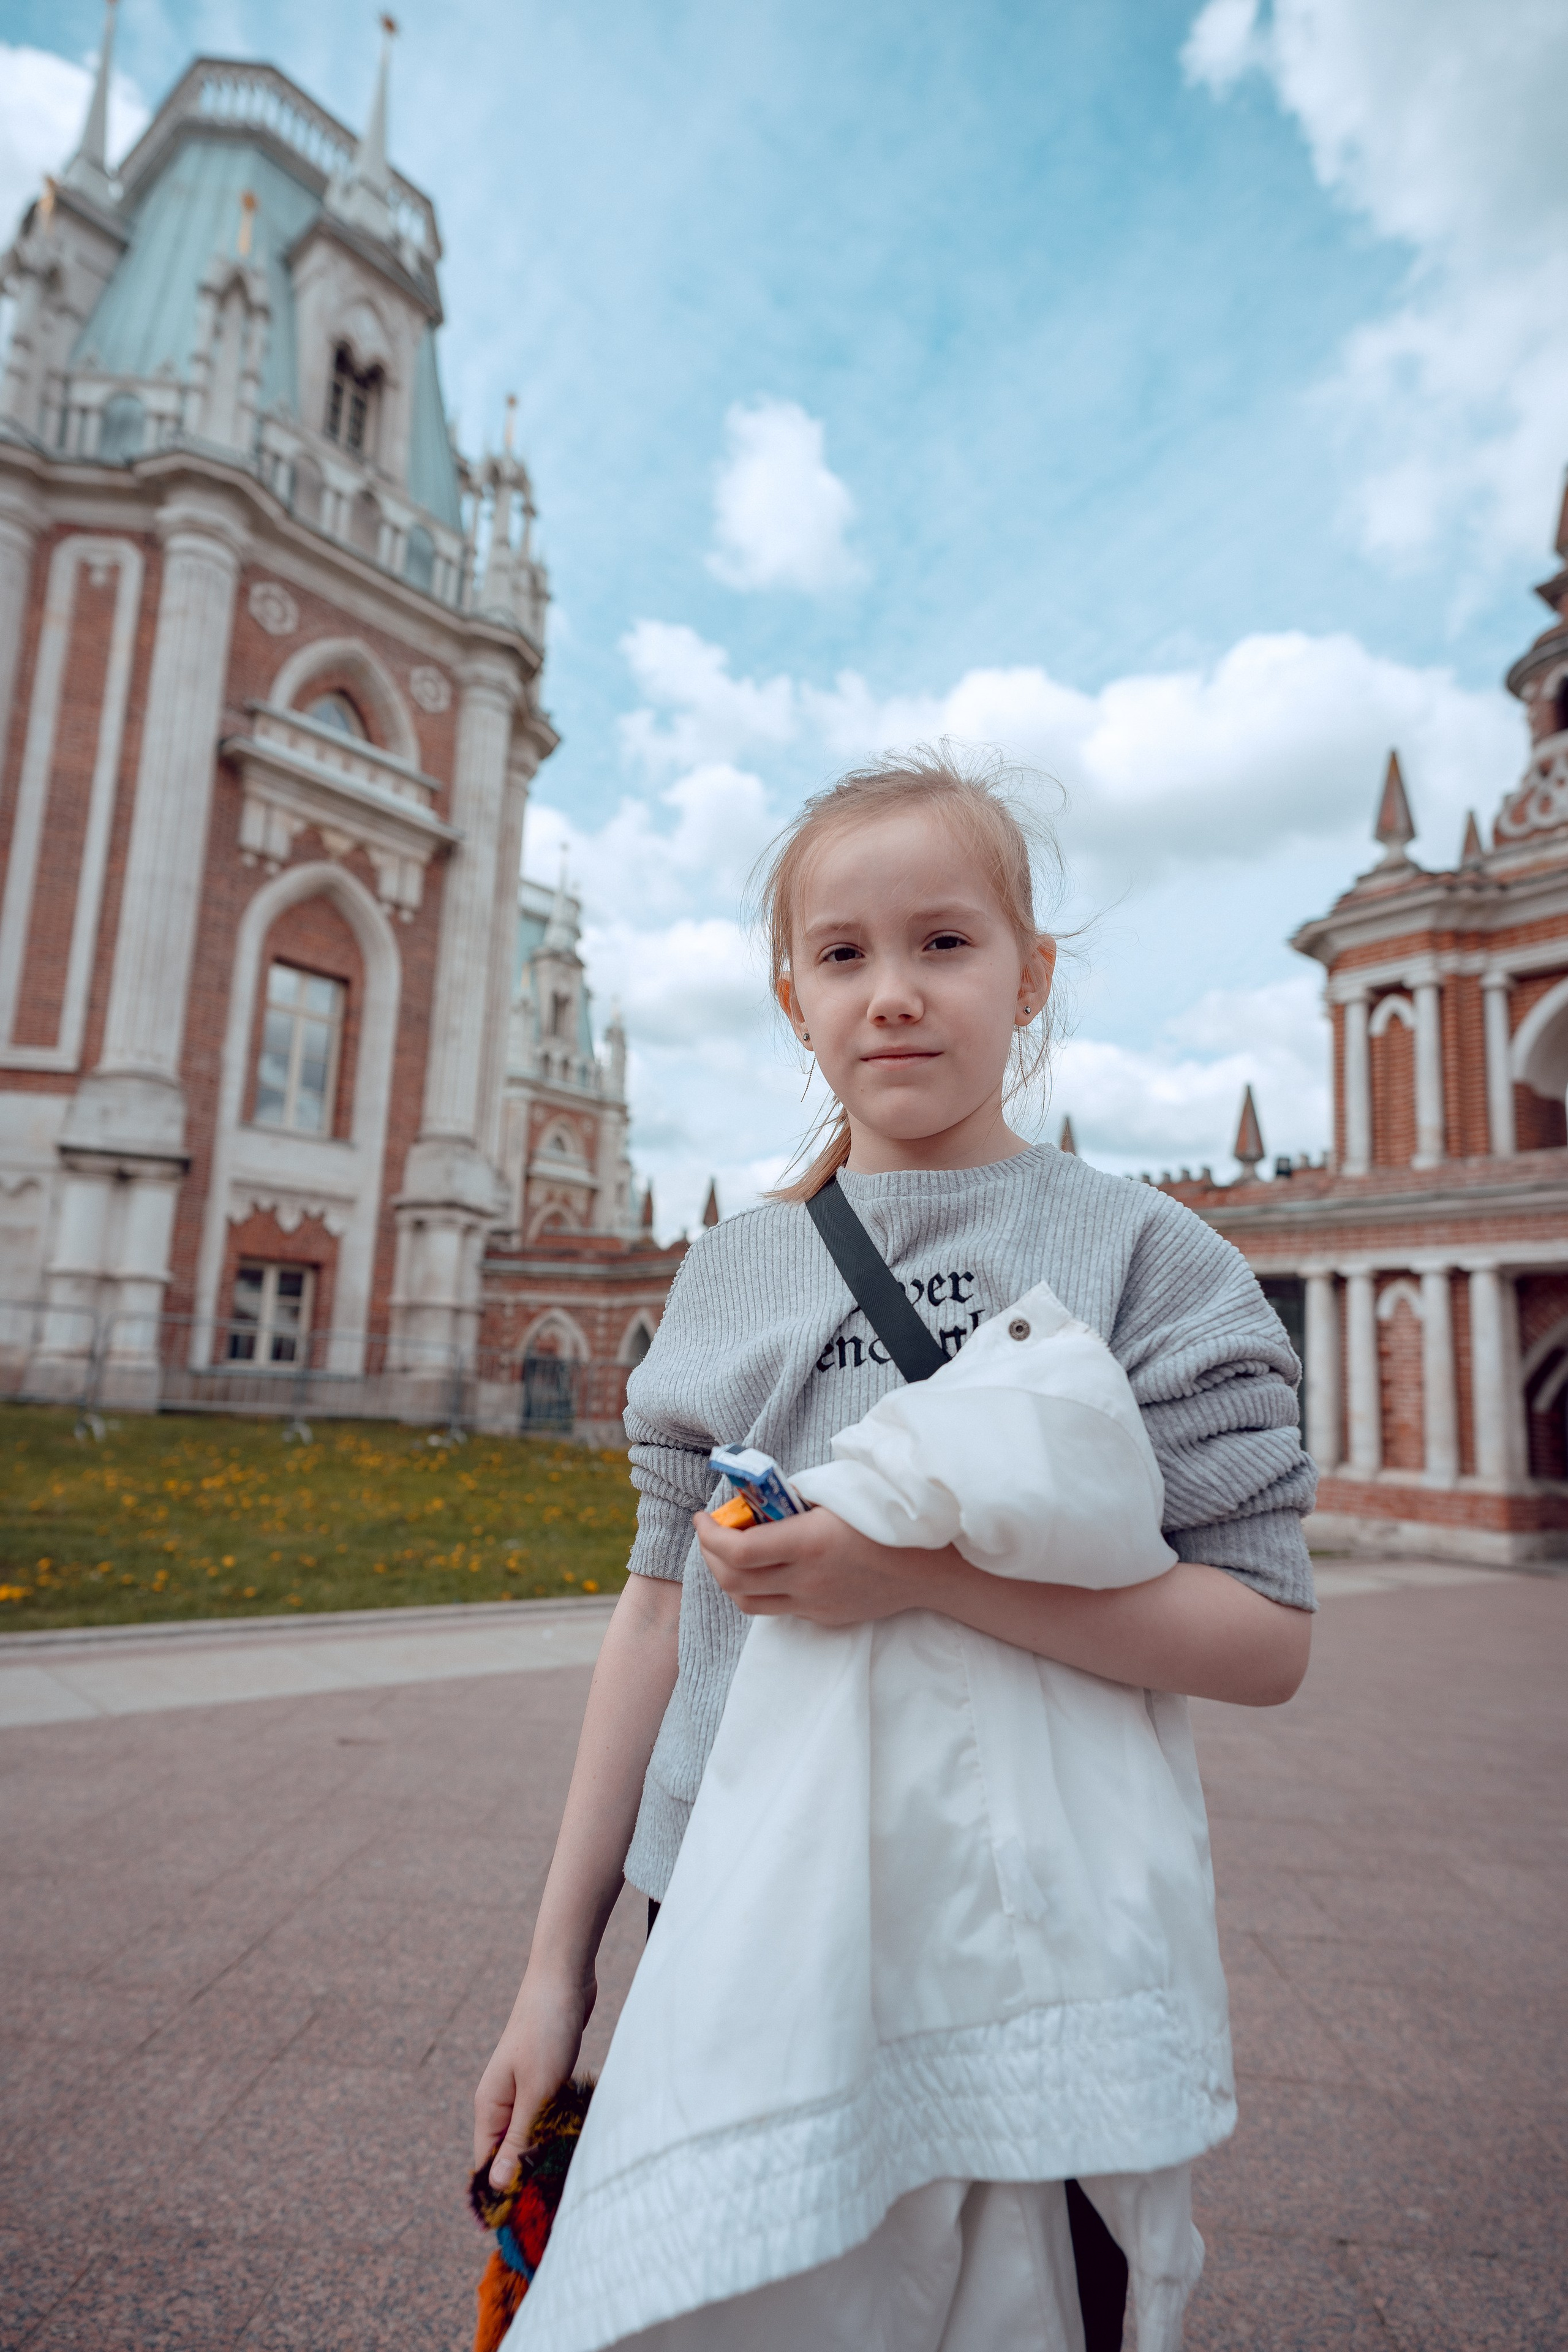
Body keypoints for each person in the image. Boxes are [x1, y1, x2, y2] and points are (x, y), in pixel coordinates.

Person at [475, 750, 1316, 2347]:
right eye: (846, 956)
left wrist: (916, 1577)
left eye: (946, 943)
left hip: (1034, 1931)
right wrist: (552, 1974)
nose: (897, 996)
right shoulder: (730, 1278)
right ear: (793, 998)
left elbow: (1266, 1635)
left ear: (1030, 973)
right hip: (729, 1902)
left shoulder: (1146, 1257)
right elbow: (654, 1626)